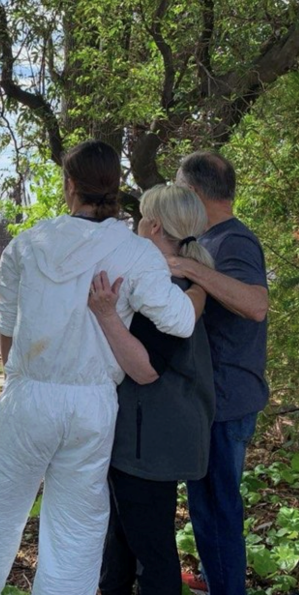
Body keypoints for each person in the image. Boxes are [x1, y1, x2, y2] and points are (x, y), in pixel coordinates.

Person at [0, 140, 200, 595]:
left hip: (30, 395)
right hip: (93, 406)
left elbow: (9, 332)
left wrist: (18, 381)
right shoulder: (136, 253)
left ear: (70, 184)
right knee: (75, 534)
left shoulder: (29, 245)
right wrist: (199, 284)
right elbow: (179, 321)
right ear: (115, 187)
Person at [89, 185, 216, 595]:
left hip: (148, 444)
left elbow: (144, 370)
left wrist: (107, 314)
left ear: (155, 225)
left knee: (152, 549)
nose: (136, 224)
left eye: (142, 217)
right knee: (124, 542)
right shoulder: (184, 284)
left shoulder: (163, 291)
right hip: (153, 438)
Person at [171, 151, 269, 595]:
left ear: (192, 193)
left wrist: (191, 269)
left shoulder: (234, 242)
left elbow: (255, 304)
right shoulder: (211, 239)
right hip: (209, 401)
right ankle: (218, 582)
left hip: (227, 403)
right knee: (205, 506)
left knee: (218, 508)